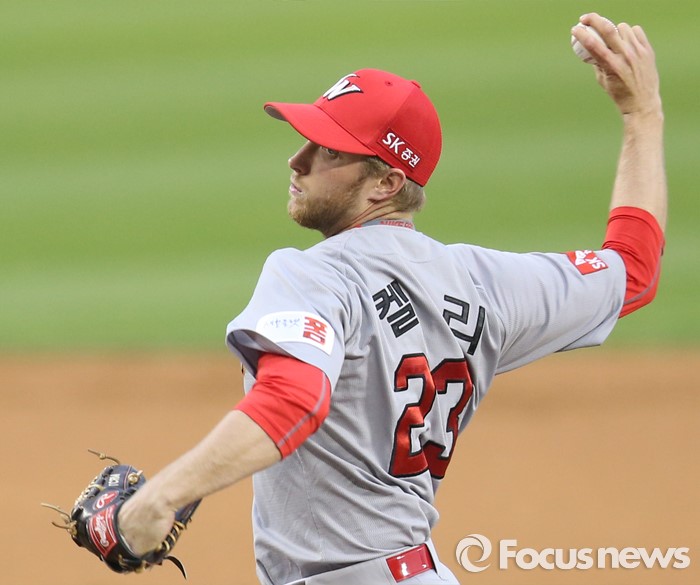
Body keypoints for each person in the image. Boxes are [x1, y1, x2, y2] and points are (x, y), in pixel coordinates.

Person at [117, 12, 666, 585]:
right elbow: (634, 269)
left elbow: (293, 398)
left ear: (387, 183)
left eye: (329, 151)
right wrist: (642, 115)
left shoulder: (314, 276)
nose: (298, 160)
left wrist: (159, 499)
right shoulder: (484, 282)